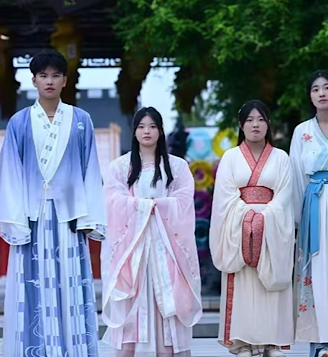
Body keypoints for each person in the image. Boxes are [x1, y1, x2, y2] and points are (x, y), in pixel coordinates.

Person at [0, 50, 106, 356]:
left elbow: (90, 169)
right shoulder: (19, 122)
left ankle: (72, 349)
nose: (50, 81)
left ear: (65, 80)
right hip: (33, 215)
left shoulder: (81, 120)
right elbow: (11, 172)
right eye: (43, 76)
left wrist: (89, 216)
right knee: (33, 284)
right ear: (33, 81)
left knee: (70, 283)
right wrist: (16, 218)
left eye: (56, 75)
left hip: (69, 215)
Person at [101, 106, 201, 357]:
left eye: (153, 126)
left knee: (167, 297)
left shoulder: (176, 166)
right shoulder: (119, 167)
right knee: (132, 300)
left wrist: (157, 205)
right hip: (133, 248)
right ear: (134, 131)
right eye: (141, 126)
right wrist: (145, 206)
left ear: (161, 131)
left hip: (166, 245)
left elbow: (184, 199)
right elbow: (113, 200)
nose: (147, 131)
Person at [210, 100, 294, 357]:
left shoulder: (281, 158)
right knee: (243, 284)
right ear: (241, 125)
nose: (255, 125)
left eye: (260, 119)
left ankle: (272, 342)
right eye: (249, 120)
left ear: (268, 124)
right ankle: (241, 342)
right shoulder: (230, 157)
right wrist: (248, 218)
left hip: (272, 227)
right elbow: (224, 195)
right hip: (239, 229)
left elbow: (285, 195)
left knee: (269, 284)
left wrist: (264, 218)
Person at [290, 70, 328, 357]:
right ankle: (321, 340)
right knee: (318, 268)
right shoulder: (302, 131)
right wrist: (297, 220)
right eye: (316, 89)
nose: (322, 93)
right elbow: (295, 177)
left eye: (326, 87)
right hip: (315, 204)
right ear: (310, 96)